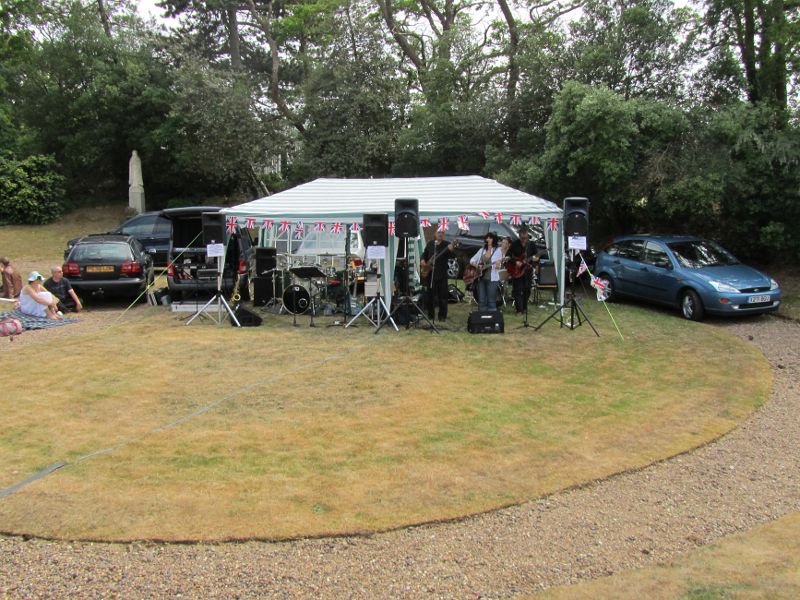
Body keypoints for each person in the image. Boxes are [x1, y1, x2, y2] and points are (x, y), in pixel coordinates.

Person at [420, 228, 455, 322]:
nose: (441, 234)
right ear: (435, 233)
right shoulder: (430, 244)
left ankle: (442, 316)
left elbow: (453, 256)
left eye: (442, 233)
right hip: (430, 274)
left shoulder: (447, 244)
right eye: (439, 232)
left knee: (443, 297)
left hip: (442, 274)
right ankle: (431, 315)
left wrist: (452, 250)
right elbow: (424, 254)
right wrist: (422, 260)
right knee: (430, 295)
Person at [508, 226, 540, 314]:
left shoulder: (531, 244)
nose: (523, 240)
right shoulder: (515, 244)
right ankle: (519, 309)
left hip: (527, 270)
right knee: (517, 290)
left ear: (527, 235)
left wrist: (536, 259)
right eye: (522, 238)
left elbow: (536, 256)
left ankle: (524, 308)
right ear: (519, 236)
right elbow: (509, 255)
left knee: (527, 289)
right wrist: (516, 261)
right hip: (517, 270)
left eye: (525, 238)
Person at [469, 232, 503, 311]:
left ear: (494, 240)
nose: (488, 239)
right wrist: (477, 266)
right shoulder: (482, 250)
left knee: (491, 300)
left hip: (492, 279)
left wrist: (498, 265)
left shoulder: (498, 250)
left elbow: (498, 265)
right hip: (481, 278)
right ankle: (482, 318)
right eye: (487, 238)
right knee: (481, 300)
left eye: (490, 238)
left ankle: (491, 318)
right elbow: (472, 260)